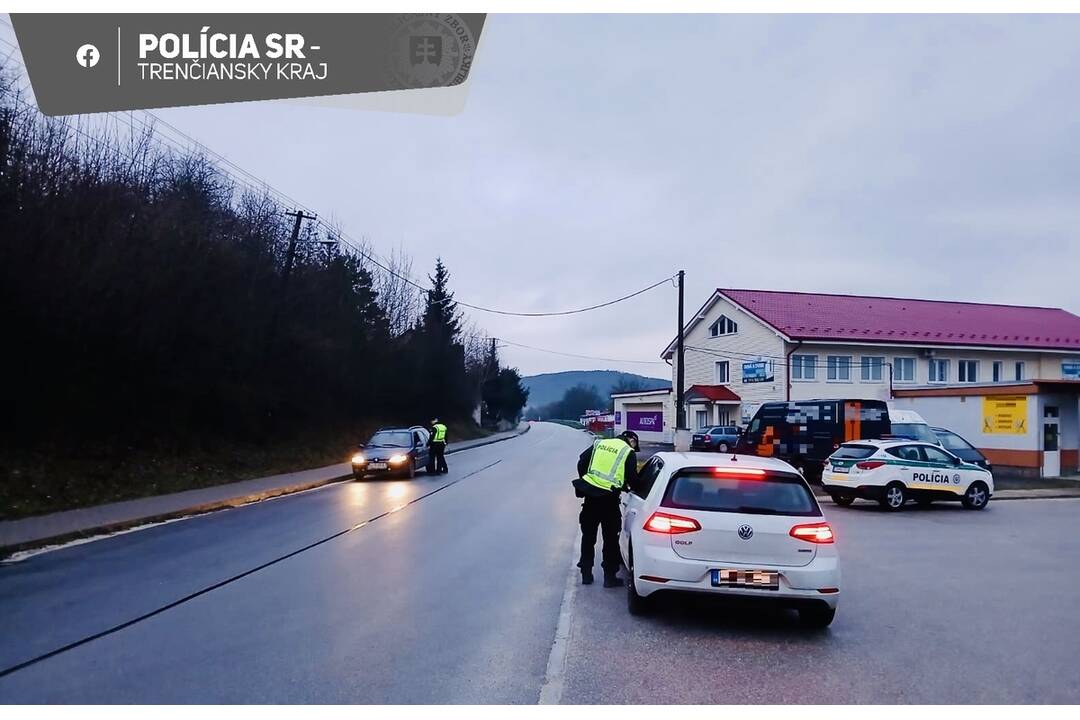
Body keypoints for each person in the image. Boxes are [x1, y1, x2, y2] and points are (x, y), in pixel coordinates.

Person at [573, 430, 639, 587]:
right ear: (632, 440)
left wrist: (588, 481)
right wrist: (631, 487)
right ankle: (610, 577)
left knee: (588, 537)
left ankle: (586, 574)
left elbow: (582, 461)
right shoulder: (627, 451)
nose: (635, 448)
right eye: (635, 444)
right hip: (609, 500)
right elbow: (632, 478)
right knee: (610, 539)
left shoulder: (600, 443)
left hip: (590, 498)